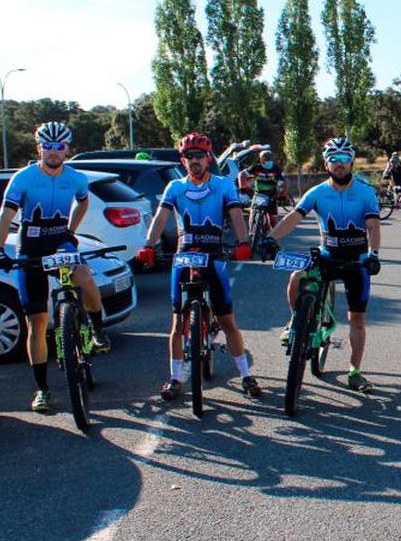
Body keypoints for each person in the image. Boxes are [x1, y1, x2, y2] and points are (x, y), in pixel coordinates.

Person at [0, 121, 109, 414]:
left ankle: (96, 330)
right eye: (48, 147)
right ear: (39, 148)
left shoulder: (76, 178)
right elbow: (6, 216)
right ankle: (42, 389)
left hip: (60, 241)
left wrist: (71, 229)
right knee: (37, 321)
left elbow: (83, 203)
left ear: (67, 149)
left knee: (84, 277)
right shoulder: (24, 178)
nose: (54, 152)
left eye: (59, 147)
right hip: (30, 246)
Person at [135, 133, 257, 400]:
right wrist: (148, 245)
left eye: (199, 156)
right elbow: (160, 217)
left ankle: (246, 376)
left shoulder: (224, 186)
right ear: (183, 160)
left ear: (208, 158)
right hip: (183, 254)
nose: (195, 161)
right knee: (178, 322)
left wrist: (243, 241)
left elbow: (236, 214)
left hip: (213, 254)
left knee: (227, 321)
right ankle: (175, 378)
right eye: (189, 157)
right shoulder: (175, 187)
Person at [263, 137, 382, 392]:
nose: (339, 164)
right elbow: (295, 217)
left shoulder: (365, 192)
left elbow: (372, 224)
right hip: (327, 255)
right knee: (297, 276)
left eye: (344, 159)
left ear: (351, 162)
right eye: (334, 160)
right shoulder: (317, 192)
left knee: (357, 319)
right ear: (326, 164)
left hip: (357, 260)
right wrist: (270, 238)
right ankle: (296, 320)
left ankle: (355, 371)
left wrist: (374, 254)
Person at [238, 148, 288, 232]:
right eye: (266, 159)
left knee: (272, 220)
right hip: (258, 195)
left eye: (270, 159)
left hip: (271, 196)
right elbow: (241, 174)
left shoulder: (276, 169)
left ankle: (275, 241)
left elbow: (286, 180)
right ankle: (251, 233)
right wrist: (242, 188)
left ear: (273, 160)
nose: (268, 161)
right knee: (253, 213)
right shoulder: (256, 167)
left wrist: (283, 195)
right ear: (261, 160)